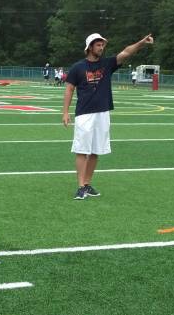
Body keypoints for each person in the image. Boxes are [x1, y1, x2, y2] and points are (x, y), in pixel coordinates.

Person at [62, 32, 154, 200]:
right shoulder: (78, 67)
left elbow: (126, 52)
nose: (101, 47)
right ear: (89, 47)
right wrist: (65, 112)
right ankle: (80, 186)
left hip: (103, 113)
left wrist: (142, 42)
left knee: (96, 151)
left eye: (102, 44)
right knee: (82, 150)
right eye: (98, 45)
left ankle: (88, 184)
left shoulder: (107, 64)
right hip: (84, 114)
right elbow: (69, 89)